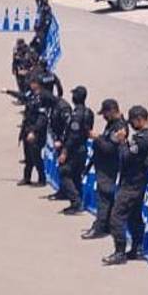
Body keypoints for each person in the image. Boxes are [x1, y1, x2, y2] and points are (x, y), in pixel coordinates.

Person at [103, 105, 148, 265]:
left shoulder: (144, 139)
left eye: (133, 121)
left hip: (133, 183)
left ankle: (119, 251)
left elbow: (126, 156)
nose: (131, 125)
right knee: (134, 216)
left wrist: (122, 142)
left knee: (117, 216)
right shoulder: (142, 136)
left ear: (139, 120)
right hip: (134, 181)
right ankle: (136, 248)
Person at [82, 99, 126, 240]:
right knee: (105, 198)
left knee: (104, 199)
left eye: (105, 113)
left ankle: (100, 227)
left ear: (112, 111)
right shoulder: (112, 124)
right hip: (103, 166)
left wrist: (97, 138)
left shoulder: (119, 127)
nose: (104, 117)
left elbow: (109, 148)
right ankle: (106, 225)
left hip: (109, 169)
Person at [58, 86, 94, 215]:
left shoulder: (76, 115)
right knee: (76, 176)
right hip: (83, 149)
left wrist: (64, 152)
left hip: (74, 150)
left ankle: (76, 201)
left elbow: (73, 136)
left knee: (64, 173)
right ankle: (78, 202)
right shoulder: (89, 112)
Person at [18, 76, 51, 186]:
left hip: (36, 133)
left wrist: (34, 131)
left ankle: (42, 179)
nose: (30, 85)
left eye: (32, 83)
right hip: (27, 129)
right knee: (28, 156)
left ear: (37, 84)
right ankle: (26, 177)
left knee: (36, 157)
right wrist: (8, 92)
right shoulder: (31, 95)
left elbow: (42, 118)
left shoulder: (42, 97)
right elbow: (23, 97)